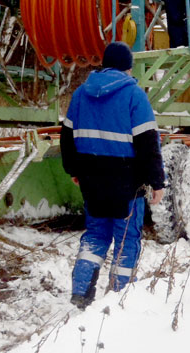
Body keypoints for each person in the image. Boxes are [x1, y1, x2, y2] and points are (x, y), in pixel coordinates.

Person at [60, 41, 165, 310]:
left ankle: (81, 293)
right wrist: (157, 182)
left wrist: (74, 170)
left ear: (104, 64)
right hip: (126, 181)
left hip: (91, 179)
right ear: (128, 67)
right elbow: (148, 143)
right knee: (126, 239)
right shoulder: (134, 95)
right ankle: (120, 298)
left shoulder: (81, 94)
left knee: (95, 235)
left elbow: (67, 137)